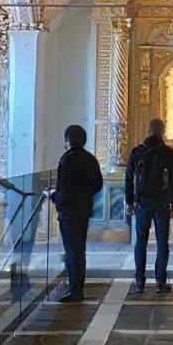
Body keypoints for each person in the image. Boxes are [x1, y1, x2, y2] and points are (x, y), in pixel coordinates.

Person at [125, 117, 173, 294]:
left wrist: (129, 201)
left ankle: (139, 282)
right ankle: (160, 282)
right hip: (162, 203)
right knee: (162, 242)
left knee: (140, 242)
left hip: (142, 202)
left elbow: (128, 178)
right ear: (163, 132)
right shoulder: (169, 153)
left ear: (148, 131)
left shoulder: (137, 152)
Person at [51, 124, 102, 303]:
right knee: (79, 251)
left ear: (68, 140)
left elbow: (64, 190)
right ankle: (77, 287)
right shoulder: (90, 159)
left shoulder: (67, 160)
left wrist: (54, 197)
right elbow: (98, 184)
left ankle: (75, 291)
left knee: (73, 252)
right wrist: (85, 195)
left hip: (69, 213)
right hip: (84, 210)